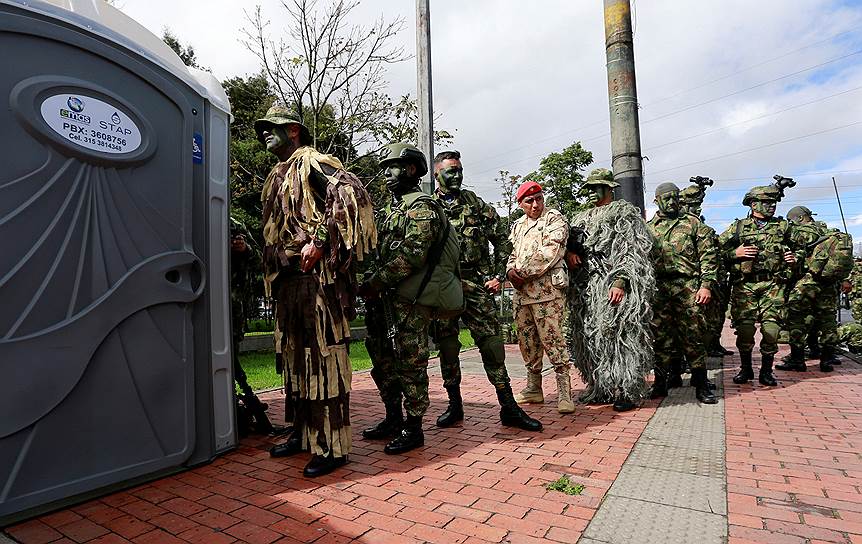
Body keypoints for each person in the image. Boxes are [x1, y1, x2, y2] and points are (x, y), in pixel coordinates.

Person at [257, 105, 376, 477]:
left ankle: (331, 446)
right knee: (295, 358)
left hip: (318, 283)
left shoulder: (313, 163)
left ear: (293, 130)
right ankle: (302, 432)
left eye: (271, 127)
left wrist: (322, 240)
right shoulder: (277, 175)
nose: (264, 133)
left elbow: (351, 192)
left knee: (323, 360)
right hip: (290, 282)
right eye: (262, 128)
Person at [360, 143, 463, 454]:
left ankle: (413, 427)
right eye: (386, 167)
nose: (388, 173)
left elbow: (412, 256)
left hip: (410, 302)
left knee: (411, 363)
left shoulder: (422, 207)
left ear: (413, 169)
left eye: (396, 166)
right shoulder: (390, 210)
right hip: (386, 301)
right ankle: (392, 417)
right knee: (382, 360)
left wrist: (374, 282)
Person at [429, 151, 542, 430]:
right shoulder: (428, 207)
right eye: (450, 171)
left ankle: (509, 407)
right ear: (436, 175)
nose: (456, 175)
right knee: (448, 346)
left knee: (491, 345)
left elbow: (502, 240)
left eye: (459, 170)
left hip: (476, 286)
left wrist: (496, 274)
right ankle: (454, 405)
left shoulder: (475, 204)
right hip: (444, 288)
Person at [567, 168, 654, 412]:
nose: (593, 192)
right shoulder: (579, 218)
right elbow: (567, 244)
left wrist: (621, 281)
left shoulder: (623, 213)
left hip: (611, 281)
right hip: (586, 287)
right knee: (590, 338)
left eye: (598, 187)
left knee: (620, 336)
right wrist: (569, 253)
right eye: (590, 188)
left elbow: (633, 250)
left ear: (609, 188)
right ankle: (600, 387)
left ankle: (628, 389)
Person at [718, 184, 797, 386]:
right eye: (767, 202)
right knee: (745, 330)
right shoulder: (738, 227)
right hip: (745, 287)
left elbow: (803, 248)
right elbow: (715, 252)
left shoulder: (784, 227)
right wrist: (735, 254)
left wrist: (794, 257)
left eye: (773, 203)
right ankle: (746, 370)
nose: (772, 206)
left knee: (771, 331)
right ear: (754, 204)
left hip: (774, 284)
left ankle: (766, 372)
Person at [506, 180, 574, 413]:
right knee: (527, 341)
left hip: (546, 293)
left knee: (554, 339)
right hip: (522, 294)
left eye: (539, 199)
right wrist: (509, 271)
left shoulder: (554, 219)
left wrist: (521, 273)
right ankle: (533, 389)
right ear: (521, 204)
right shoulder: (518, 226)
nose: (536, 204)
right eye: (529, 201)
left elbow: (551, 252)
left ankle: (565, 393)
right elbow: (512, 254)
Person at [647, 183, 718, 404]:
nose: (671, 202)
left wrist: (706, 284)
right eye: (666, 198)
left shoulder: (692, 223)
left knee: (693, 335)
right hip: (659, 289)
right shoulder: (648, 228)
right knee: (660, 337)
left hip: (688, 286)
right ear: (656, 201)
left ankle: (701, 383)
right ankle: (660, 383)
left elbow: (708, 255)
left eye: (675, 198)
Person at [229, 217, 274, 436]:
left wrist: (243, 248)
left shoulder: (235, 226)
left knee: (230, 357)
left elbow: (259, 261)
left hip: (232, 308)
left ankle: (233, 403)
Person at [679, 183, 733, 358]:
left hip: (713, 280)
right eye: (693, 205)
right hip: (690, 282)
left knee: (715, 316)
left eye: (698, 205)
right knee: (692, 323)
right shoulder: (682, 227)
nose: (697, 208)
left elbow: (715, 249)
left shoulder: (699, 225)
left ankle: (712, 345)